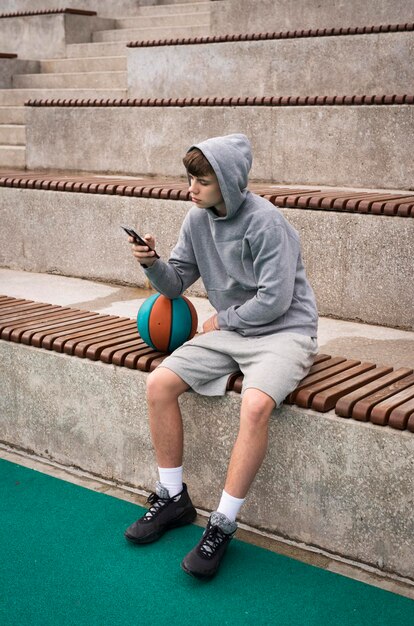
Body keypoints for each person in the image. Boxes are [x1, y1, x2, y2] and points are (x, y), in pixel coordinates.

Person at [124, 133, 318, 579]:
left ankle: (222, 524)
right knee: (159, 384)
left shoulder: (267, 223)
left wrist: (221, 319)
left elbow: (275, 301)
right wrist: (150, 262)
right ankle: (172, 498)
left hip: (284, 333)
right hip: (233, 330)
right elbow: (174, 286)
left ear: (227, 183)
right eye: (190, 179)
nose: (191, 188)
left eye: (202, 181)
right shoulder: (197, 220)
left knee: (255, 405)